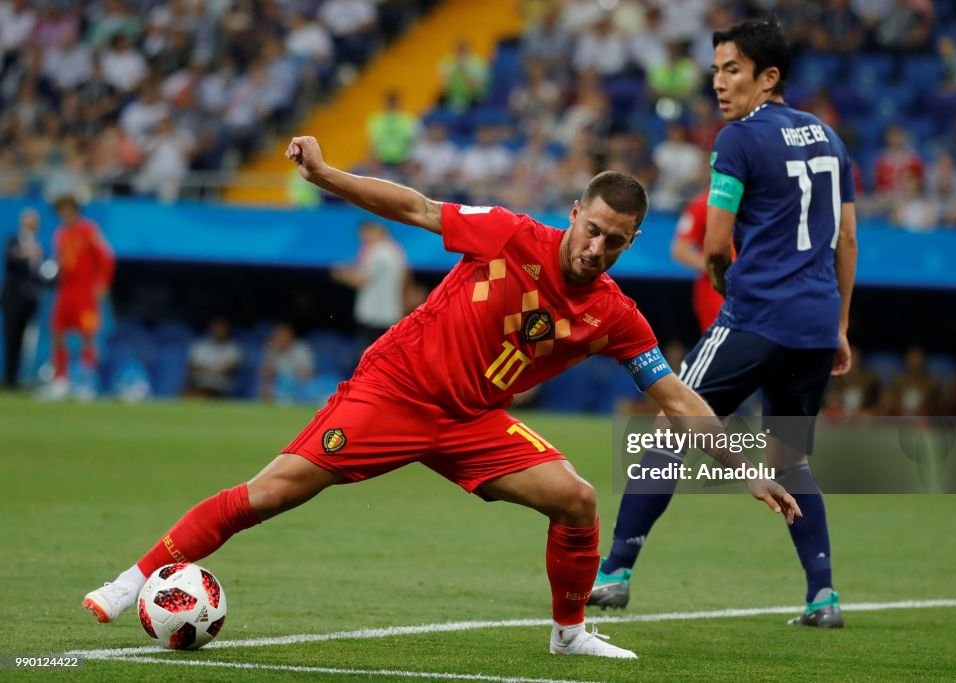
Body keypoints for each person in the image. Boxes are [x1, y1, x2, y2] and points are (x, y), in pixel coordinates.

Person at [83, 135, 801, 659]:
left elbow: (676, 397)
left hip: (471, 420)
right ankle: (132, 580)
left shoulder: (615, 313)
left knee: (577, 498)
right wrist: (328, 174)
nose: (596, 248)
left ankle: (570, 631)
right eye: (591, 230)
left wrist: (745, 466)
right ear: (576, 211)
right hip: (394, 389)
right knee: (270, 493)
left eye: (614, 241)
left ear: (631, 240)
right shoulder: (508, 235)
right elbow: (418, 207)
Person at [590, 19, 857, 630]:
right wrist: (840, 323)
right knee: (790, 460)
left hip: (757, 316)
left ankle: (614, 574)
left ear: (769, 77)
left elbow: (715, 242)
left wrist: (719, 279)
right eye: (715, 69)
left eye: (731, 69)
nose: (718, 82)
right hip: (816, 326)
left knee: (666, 432)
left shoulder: (737, 139)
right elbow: (846, 238)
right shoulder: (831, 139)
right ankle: (823, 596)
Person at [44, 195, 116, 399]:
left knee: (87, 336)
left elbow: (107, 257)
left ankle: (86, 381)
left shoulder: (89, 230)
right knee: (57, 334)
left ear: (75, 210)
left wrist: (102, 283)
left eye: (68, 209)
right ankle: (61, 380)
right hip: (66, 292)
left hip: (85, 293)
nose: (65, 214)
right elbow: (61, 262)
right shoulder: (60, 234)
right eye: (61, 210)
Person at [330, 221, 408, 349]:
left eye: (365, 232)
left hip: (374, 316)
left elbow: (361, 280)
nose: (362, 237)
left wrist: (341, 274)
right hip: (390, 315)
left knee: (368, 358)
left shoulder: (378, 251)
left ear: (377, 230)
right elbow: (405, 280)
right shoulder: (396, 250)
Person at [1, 208, 45, 389]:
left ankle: (23, 378)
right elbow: (11, 260)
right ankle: (9, 379)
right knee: (11, 338)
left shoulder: (39, 246)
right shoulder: (14, 240)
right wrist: (26, 253)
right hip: (13, 299)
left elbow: (39, 274)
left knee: (28, 340)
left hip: (31, 300)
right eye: (29, 221)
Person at [671, 188, 723, 335]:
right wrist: (723, 268)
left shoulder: (761, 201)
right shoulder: (703, 203)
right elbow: (680, 250)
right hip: (716, 292)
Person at [184, 317, 243, 399]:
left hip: (222, 387)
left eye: (221, 328)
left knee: (203, 394)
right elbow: (193, 368)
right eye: (216, 328)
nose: (218, 331)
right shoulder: (200, 346)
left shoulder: (233, 348)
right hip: (200, 384)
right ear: (211, 329)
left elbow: (227, 370)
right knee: (188, 394)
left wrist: (205, 369)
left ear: (227, 330)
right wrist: (214, 370)